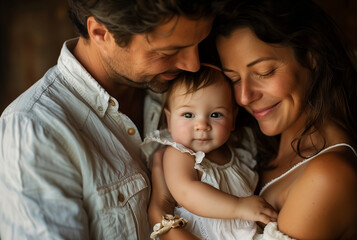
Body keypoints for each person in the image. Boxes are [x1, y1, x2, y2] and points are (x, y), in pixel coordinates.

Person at [150, 0, 357, 239]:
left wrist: (159, 213)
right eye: (234, 79)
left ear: (311, 55)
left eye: (264, 72)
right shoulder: (252, 145)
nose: (244, 97)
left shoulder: (327, 176)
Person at [0, 0, 229, 239]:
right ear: (101, 33)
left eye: (198, 44)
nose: (193, 65)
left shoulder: (190, 86)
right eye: (169, 52)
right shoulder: (34, 131)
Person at [142, 65, 277, 239]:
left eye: (215, 115)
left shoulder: (239, 154)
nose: (202, 125)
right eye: (188, 115)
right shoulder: (180, 153)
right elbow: (186, 192)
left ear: (233, 119)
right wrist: (238, 207)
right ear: (169, 119)